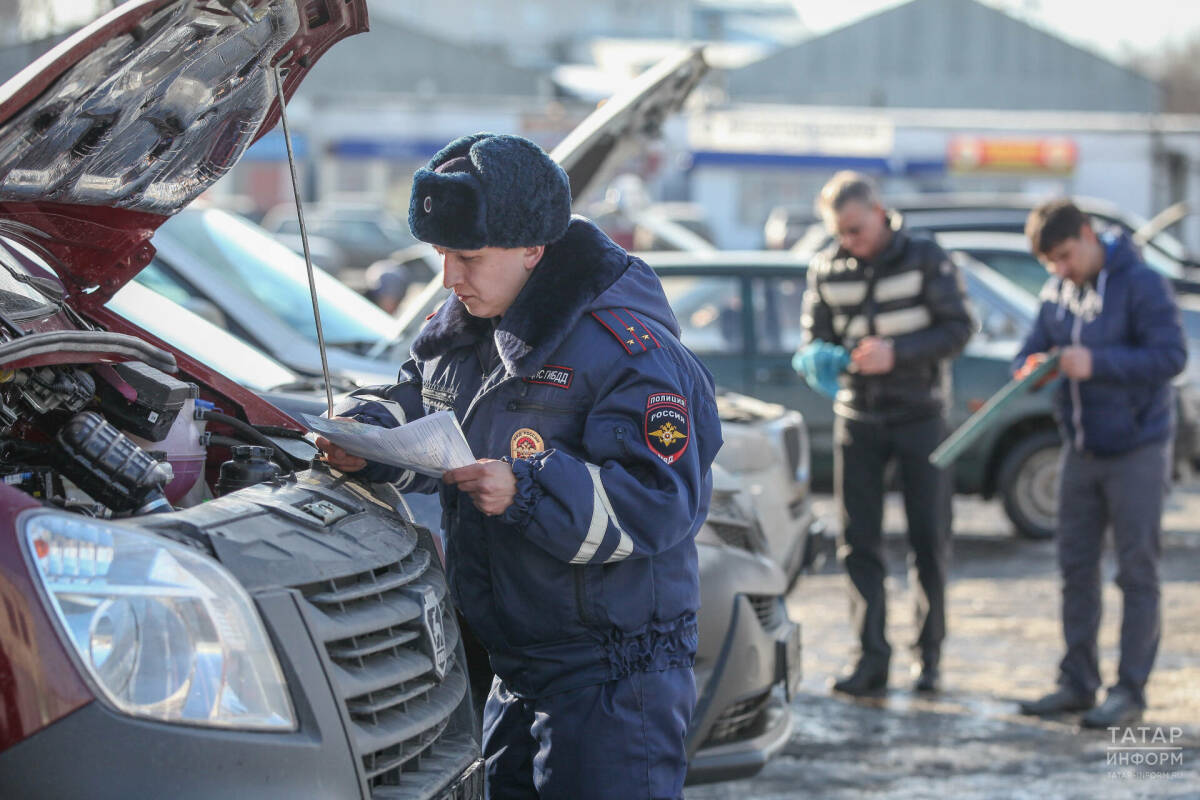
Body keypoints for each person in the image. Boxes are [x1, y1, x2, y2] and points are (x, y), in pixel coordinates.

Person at [315, 133, 721, 799]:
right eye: (441, 254)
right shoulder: (463, 334)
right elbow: (418, 402)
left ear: (534, 248)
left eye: (467, 257)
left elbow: (660, 503)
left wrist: (526, 491)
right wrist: (367, 430)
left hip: (613, 682)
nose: (449, 277)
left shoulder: (630, 352)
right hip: (512, 671)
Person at [797, 171, 971, 695]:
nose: (849, 241)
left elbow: (959, 327)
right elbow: (814, 338)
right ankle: (871, 659)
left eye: (855, 229)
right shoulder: (826, 266)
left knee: (929, 539)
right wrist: (820, 359)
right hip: (858, 417)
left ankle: (930, 657)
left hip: (921, 416)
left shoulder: (926, 256)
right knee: (859, 543)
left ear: (880, 211)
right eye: (840, 232)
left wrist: (899, 353)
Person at [1014, 199, 1185, 728]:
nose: (1061, 270)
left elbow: (1171, 357)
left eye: (1066, 256)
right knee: (1074, 568)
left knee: (1136, 570)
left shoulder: (1142, 283)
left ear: (1089, 235)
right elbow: (1029, 350)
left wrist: (1099, 365)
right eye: (1052, 265)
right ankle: (1077, 683)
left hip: (1138, 446)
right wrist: (1030, 369)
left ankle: (1129, 691)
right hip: (1080, 447)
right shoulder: (1058, 290)